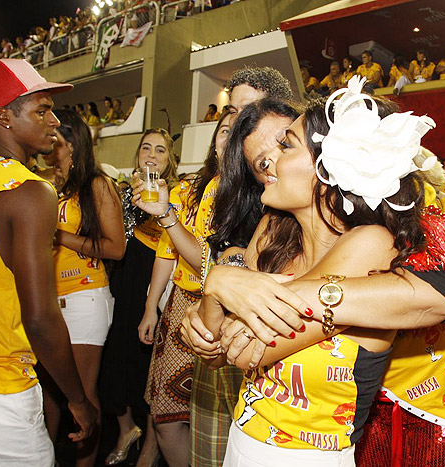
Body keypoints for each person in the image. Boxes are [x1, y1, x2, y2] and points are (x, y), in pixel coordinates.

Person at [182, 79, 445, 467]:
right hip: (246, 439)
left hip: (429, 404)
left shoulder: (374, 240)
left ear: (332, 161)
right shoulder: (272, 233)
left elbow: (243, 347)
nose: (269, 165)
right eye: (259, 164)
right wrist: (220, 284)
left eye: (284, 144)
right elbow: (218, 348)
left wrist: (234, 285)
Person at [135, 66, 295, 467]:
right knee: (199, 439)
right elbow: (215, 264)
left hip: (286, 372)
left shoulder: (300, 197)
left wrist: (225, 284)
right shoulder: (227, 191)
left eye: (249, 112)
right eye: (232, 116)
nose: (238, 124)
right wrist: (200, 303)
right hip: (216, 332)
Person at [0, 58, 96, 464]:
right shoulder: (31, 192)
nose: (54, 120)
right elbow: (40, 317)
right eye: (41, 109)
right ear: (4, 115)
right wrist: (78, 399)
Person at [40, 109, 125, 467]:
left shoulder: (96, 185)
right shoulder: (41, 182)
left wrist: (61, 235)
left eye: (56, 137)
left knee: (83, 393)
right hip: (45, 298)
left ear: (72, 143)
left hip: (85, 296)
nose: (48, 143)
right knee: (46, 390)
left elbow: (116, 247)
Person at [100, 128, 179, 466]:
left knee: (147, 365)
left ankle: (150, 444)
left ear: (169, 160)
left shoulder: (176, 196)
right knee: (114, 359)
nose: (151, 154)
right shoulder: (120, 192)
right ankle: (125, 427)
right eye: (146, 147)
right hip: (124, 279)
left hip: (155, 281)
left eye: (160, 150)